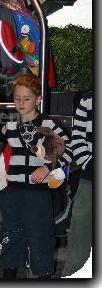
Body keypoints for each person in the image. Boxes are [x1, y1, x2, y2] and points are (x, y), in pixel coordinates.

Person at [0, 73, 73, 279]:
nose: (21, 103)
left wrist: (47, 168)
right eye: (17, 98)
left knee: (41, 237)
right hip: (11, 192)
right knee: (10, 236)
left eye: (26, 98)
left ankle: (43, 277)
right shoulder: (9, 126)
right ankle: (8, 276)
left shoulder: (49, 125)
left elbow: (70, 151)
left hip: (38, 195)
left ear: (38, 99)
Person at [62, 91, 93, 277]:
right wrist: (90, 164)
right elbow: (78, 140)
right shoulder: (88, 100)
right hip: (91, 173)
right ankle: (74, 273)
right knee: (81, 223)